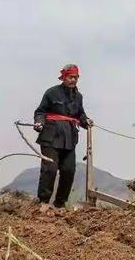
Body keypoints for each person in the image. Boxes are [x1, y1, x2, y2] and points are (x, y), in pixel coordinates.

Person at [33, 64, 93, 207]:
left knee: (69, 170)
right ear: (64, 77)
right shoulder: (51, 93)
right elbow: (40, 112)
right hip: (50, 138)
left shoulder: (78, 97)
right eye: (70, 77)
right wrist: (39, 123)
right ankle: (43, 202)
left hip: (69, 140)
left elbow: (80, 115)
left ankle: (60, 204)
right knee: (50, 169)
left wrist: (87, 121)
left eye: (75, 77)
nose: (73, 80)